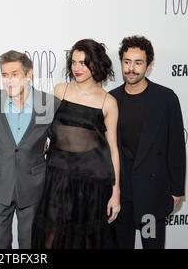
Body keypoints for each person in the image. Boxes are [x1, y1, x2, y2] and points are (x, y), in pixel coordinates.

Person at [32, 39, 121, 249]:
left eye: (83, 63)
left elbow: (113, 151)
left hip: (91, 184)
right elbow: (44, 129)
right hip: (57, 179)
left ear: (96, 64)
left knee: (86, 240)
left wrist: (116, 194)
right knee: (51, 240)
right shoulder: (60, 90)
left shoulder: (108, 102)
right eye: (74, 62)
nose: (77, 68)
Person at [110, 35, 186, 249]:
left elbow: (176, 147)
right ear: (121, 62)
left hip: (152, 195)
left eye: (138, 62)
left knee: (151, 245)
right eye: (127, 62)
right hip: (121, 196)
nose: (131, 68)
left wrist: (177, 189)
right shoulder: (111, 99)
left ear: (148, 65)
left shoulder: (165, 99)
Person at [0, 50, 60, 249]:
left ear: (28, 74)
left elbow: (63, 142)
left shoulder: (50, 104)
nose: (9, 81)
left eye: (15, 74)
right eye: (5, 75)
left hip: (33, 184)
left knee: (31, 243)